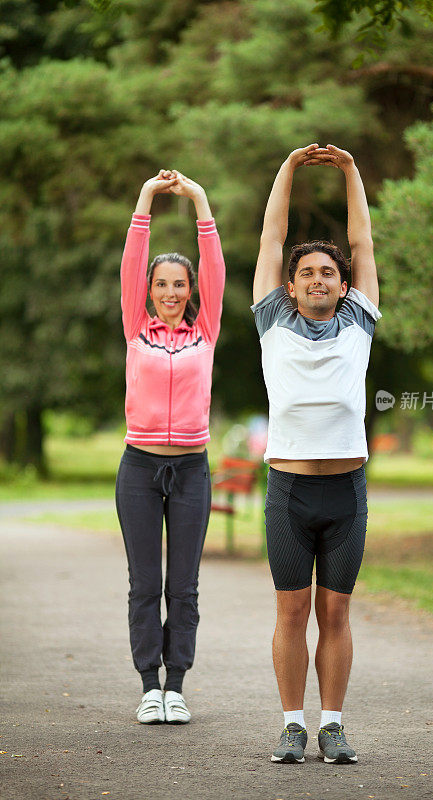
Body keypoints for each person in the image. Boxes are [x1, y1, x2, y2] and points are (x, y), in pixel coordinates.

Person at [251, 144, 381, 764]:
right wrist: (290, 169)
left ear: (343, 284)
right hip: (289, 491)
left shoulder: (359, 321)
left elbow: (364, 243)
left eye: (328, 272)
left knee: (335, 612)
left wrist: (351, 172)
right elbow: (272, 239)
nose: (318, 278)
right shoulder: (273, 322)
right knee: (291, 612)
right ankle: (291, 726)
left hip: (346, 491)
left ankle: (332, 724)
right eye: (307, 274)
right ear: (292, 287)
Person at [116, 169, 225, 724]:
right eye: (161, 285)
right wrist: (147, 199)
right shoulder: (135, 325)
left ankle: (176, 685)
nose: (170, 293)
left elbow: (215, 263)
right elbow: (134, 258)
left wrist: (199, 200)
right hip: (138, 469)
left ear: (192, 291)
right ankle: (147, 687)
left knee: (182, 585)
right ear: (149, 292)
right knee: (145, 584)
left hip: (190, 470)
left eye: (180, 284)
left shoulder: (206, 328)